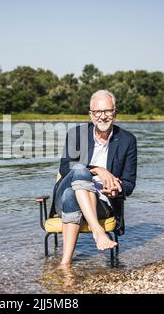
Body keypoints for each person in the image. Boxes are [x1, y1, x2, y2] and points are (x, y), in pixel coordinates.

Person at [52, 90, 137, 267]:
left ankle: (65, 264)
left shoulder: (127, 140)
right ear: (91, 114)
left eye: (107, 111)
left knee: (71, 195)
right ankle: (98, 231)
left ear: (115, 112)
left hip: (102, 204)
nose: (102, 116)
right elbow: (65, 167)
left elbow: (129, 184)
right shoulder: (76, 134)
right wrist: (99, 170)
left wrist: (116, 189)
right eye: (97, 112)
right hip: (63, 196)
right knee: (80, 171)